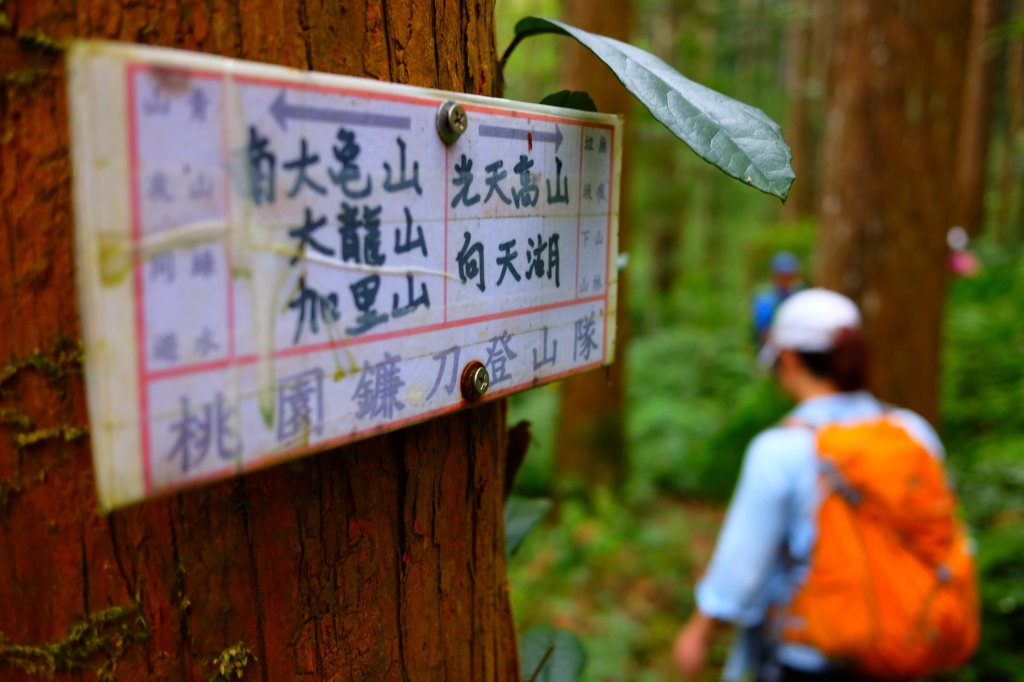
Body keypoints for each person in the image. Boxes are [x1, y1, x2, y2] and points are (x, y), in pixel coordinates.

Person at [673, 288, 945, 682]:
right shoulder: (913, 430)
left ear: (788, 358)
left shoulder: (781, 448)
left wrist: (700, 630)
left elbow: (743, 567)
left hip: (810, 653)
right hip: (903, 642)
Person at [752, 252, 802, 349]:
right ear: (774, 276)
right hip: (774, 349)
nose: (786, 280)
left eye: (789, 275)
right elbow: (763, 331)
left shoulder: (801, 296)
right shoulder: (766, 299)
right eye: (782, 276)